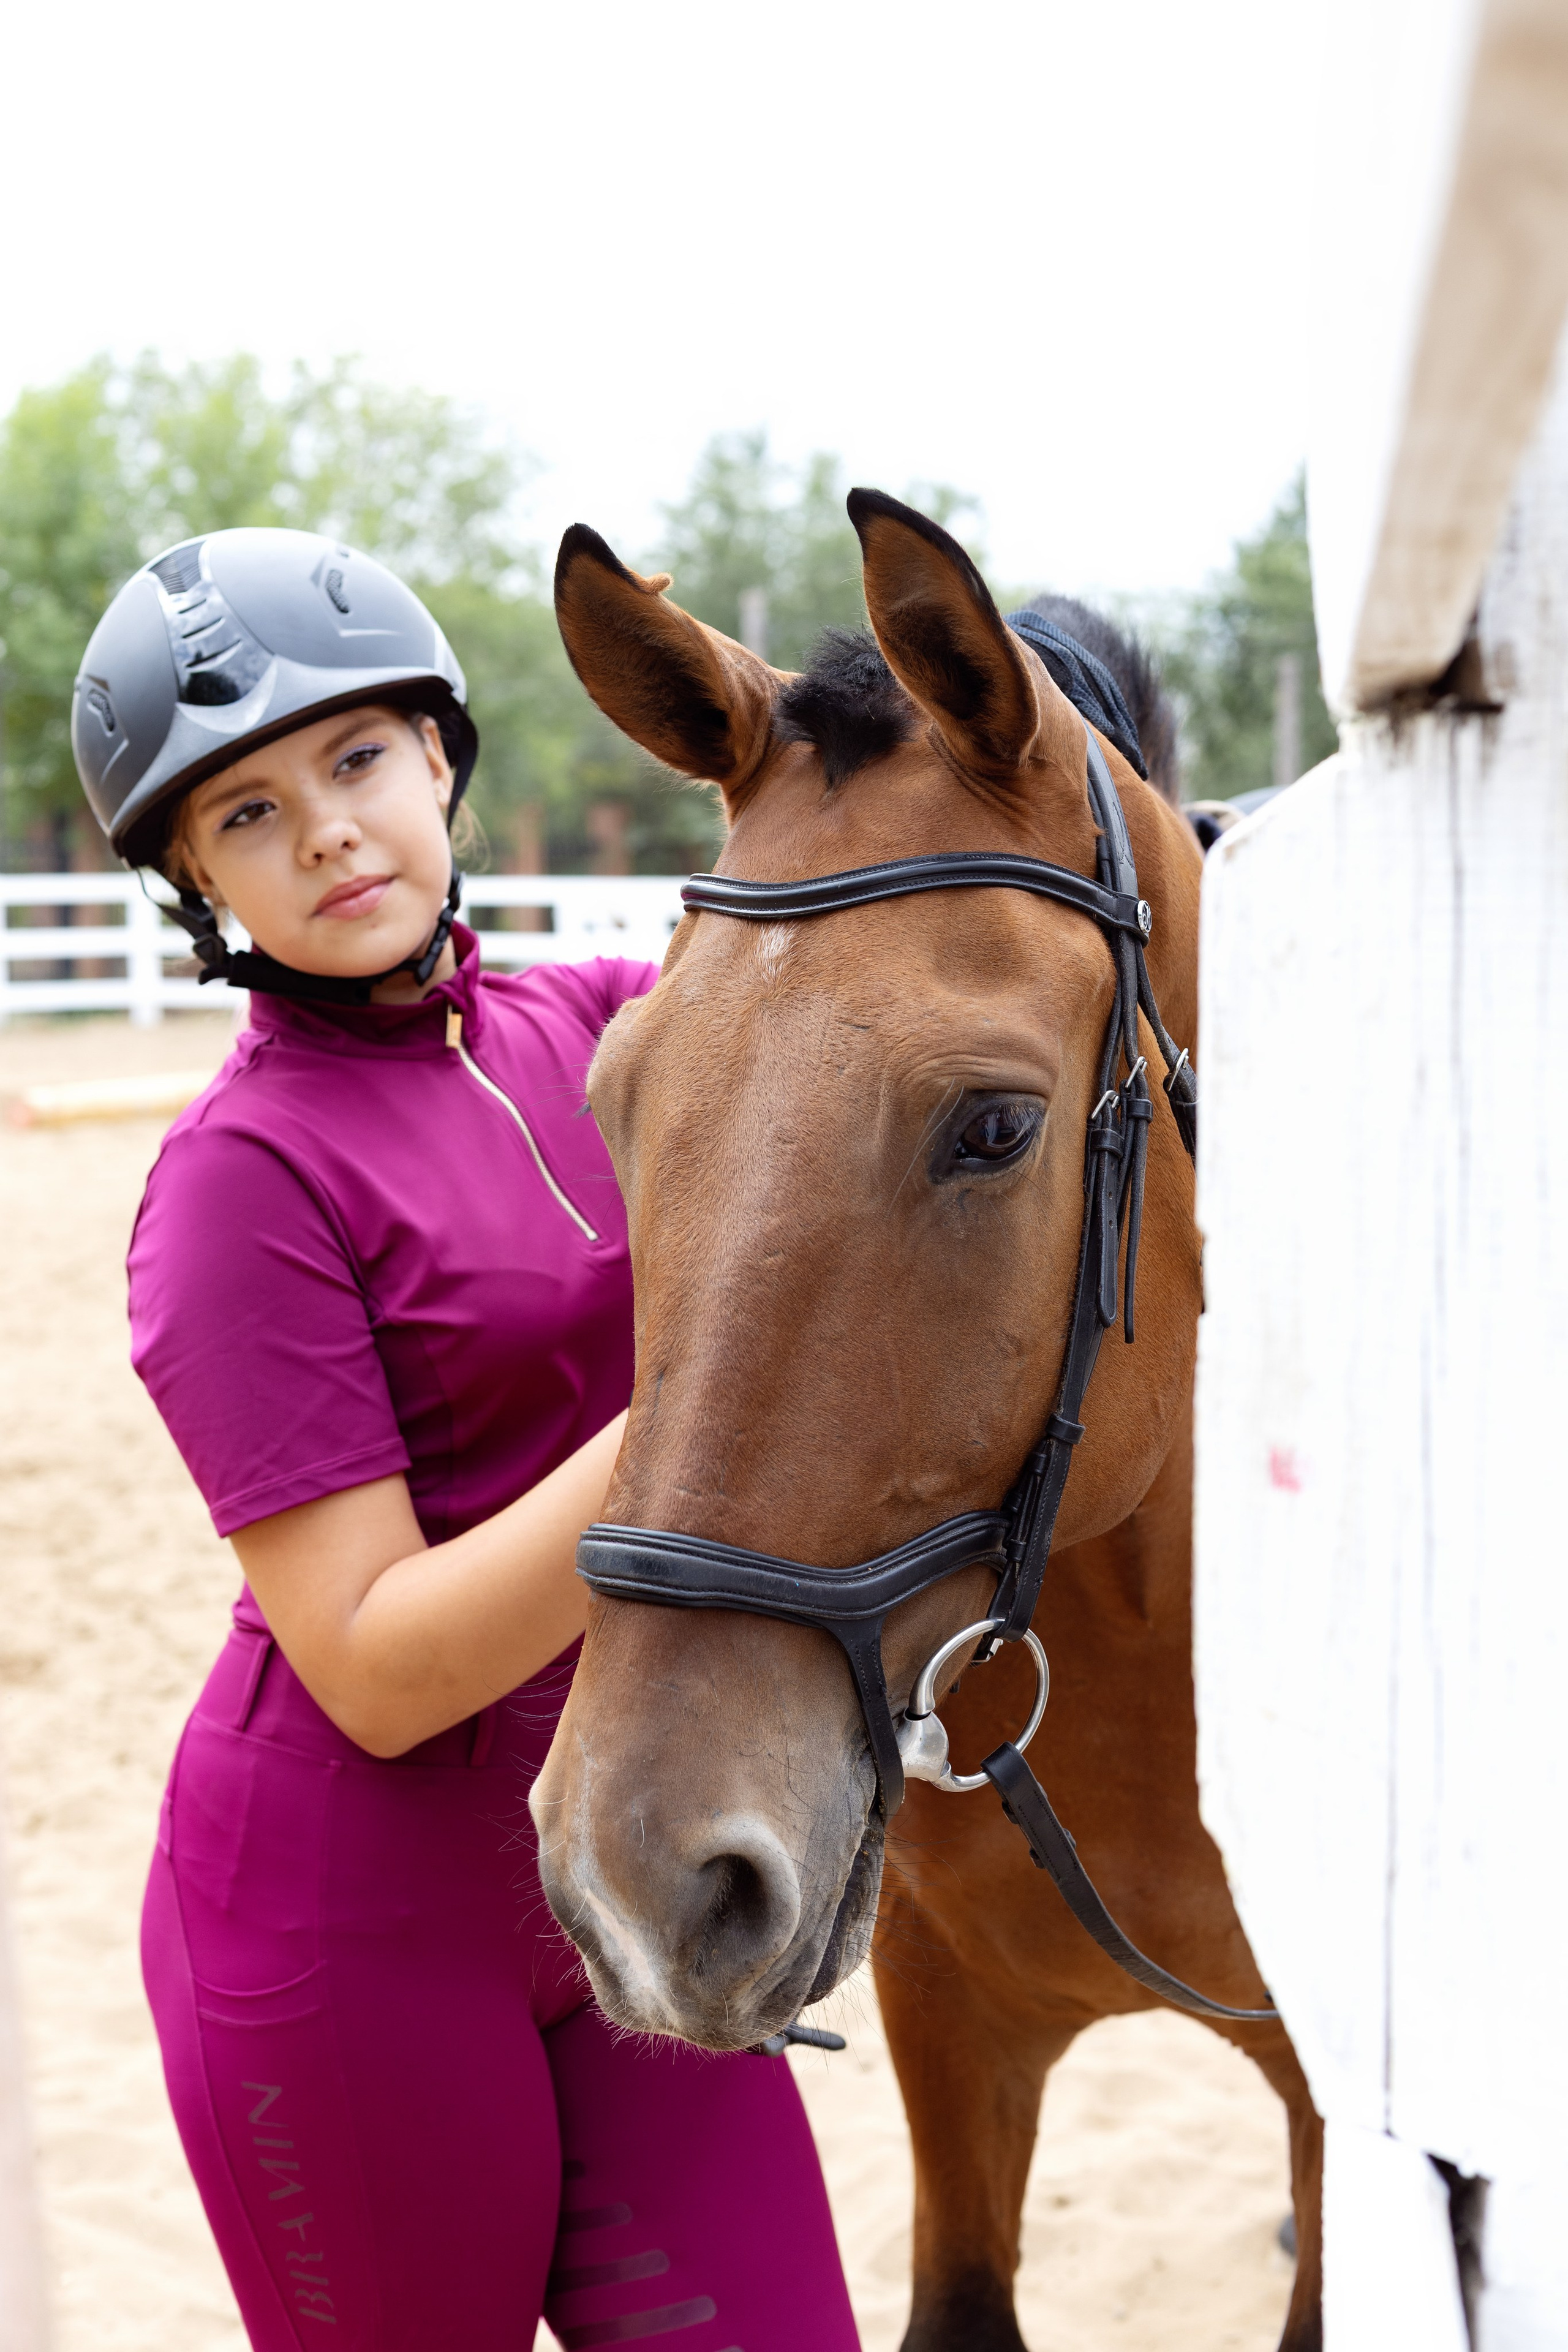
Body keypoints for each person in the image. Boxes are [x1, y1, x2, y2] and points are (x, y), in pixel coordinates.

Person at [72, 529, 860, 2352]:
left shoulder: (586, 1025)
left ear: (440, 756)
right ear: (197, 876)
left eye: (355, 761)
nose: (330, 832)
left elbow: (846, 971)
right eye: (249, 814)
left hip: (627, 1857)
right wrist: (697, 1416)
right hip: (349, 1933)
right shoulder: (235, 1187)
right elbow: (372, 1668)